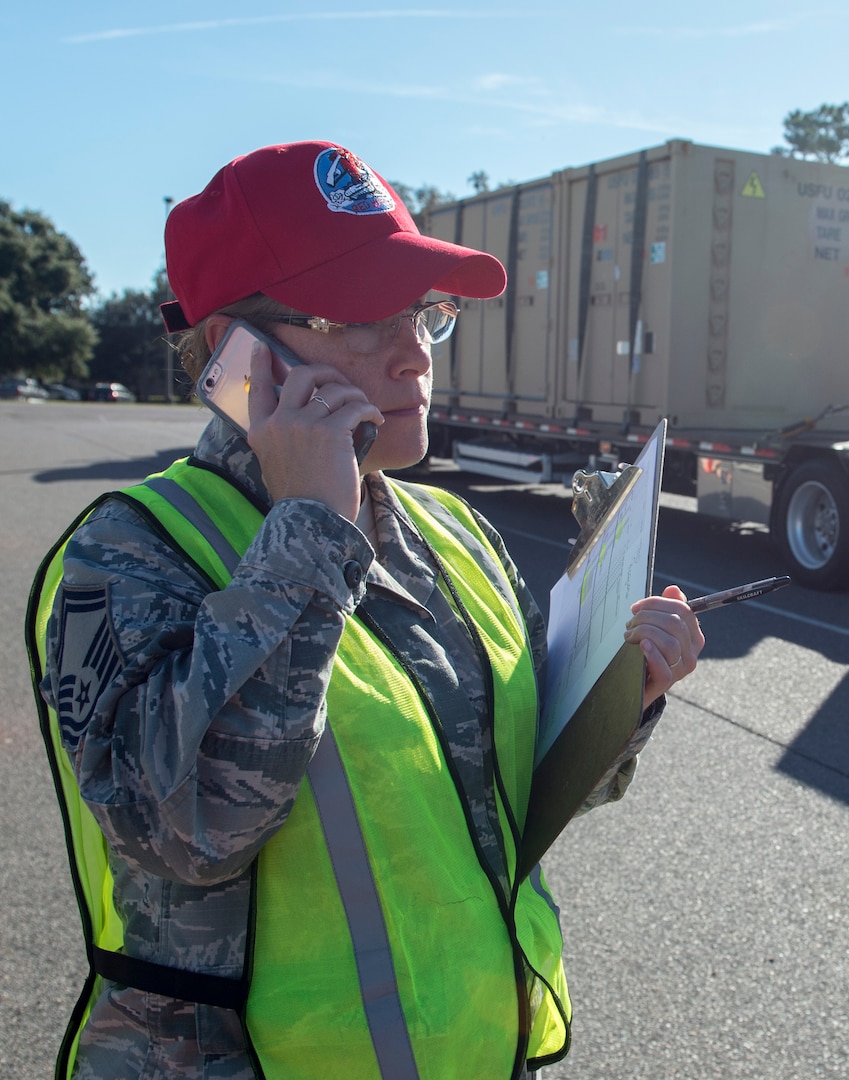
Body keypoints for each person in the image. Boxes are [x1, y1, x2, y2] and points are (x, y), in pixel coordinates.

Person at [25, 141, 705, 1079]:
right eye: (356, 319)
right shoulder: (131, 552)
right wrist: (309, 527)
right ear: (238, 353)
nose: (413, 352)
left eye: (423, 314)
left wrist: (622, 705)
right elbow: (183, 832)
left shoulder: (453, 532)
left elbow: (516, 801)